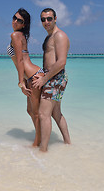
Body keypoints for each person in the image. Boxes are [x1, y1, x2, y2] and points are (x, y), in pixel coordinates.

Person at [32, 8, 71, 152]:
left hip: (55, 77)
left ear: (55, 18)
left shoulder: (59, 36)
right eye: (43, 19)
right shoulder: (49, 37)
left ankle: (43, 150)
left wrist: (44, 79)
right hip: (53, 77)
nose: (46, 22)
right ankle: (68, 144)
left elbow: (61, 62)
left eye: (49, 18)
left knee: (43, 115)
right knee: (56, 113)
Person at [7, 8, 44, 147]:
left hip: (33, 76)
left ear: (24, 24)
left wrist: (20, 82)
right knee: (31, 111)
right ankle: (40, 138)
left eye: (19, 20)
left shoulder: (16, 35)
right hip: (32, 75)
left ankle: (37, 142)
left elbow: (21, 61)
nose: (15, 21)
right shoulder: (21, 36)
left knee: (35, 113)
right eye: (14, 18)